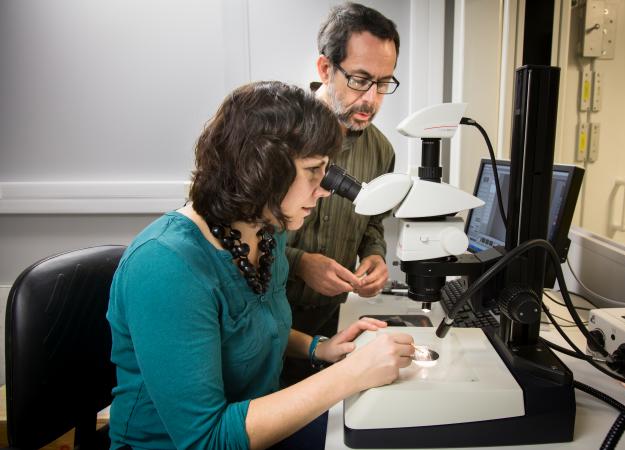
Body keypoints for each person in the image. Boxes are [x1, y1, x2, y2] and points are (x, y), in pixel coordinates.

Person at [107, 81, 414, 450]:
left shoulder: (268, 231)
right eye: (313, 170)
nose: (326, 189)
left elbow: (249, 329)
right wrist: (350, 374)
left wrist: (320, 348)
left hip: (257, 427)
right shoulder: (166, 266)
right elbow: (206, 439)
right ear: (262, 171)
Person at [283, 2, 401, 385]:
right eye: (360, 80)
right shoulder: (275, 135)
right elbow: (234, 238)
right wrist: (300, 262)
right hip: (264, 318)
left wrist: (374, 255)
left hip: (330, 324)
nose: (372, 99)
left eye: (384, 84)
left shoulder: (381, 151)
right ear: (325, 69)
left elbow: (373, 223)